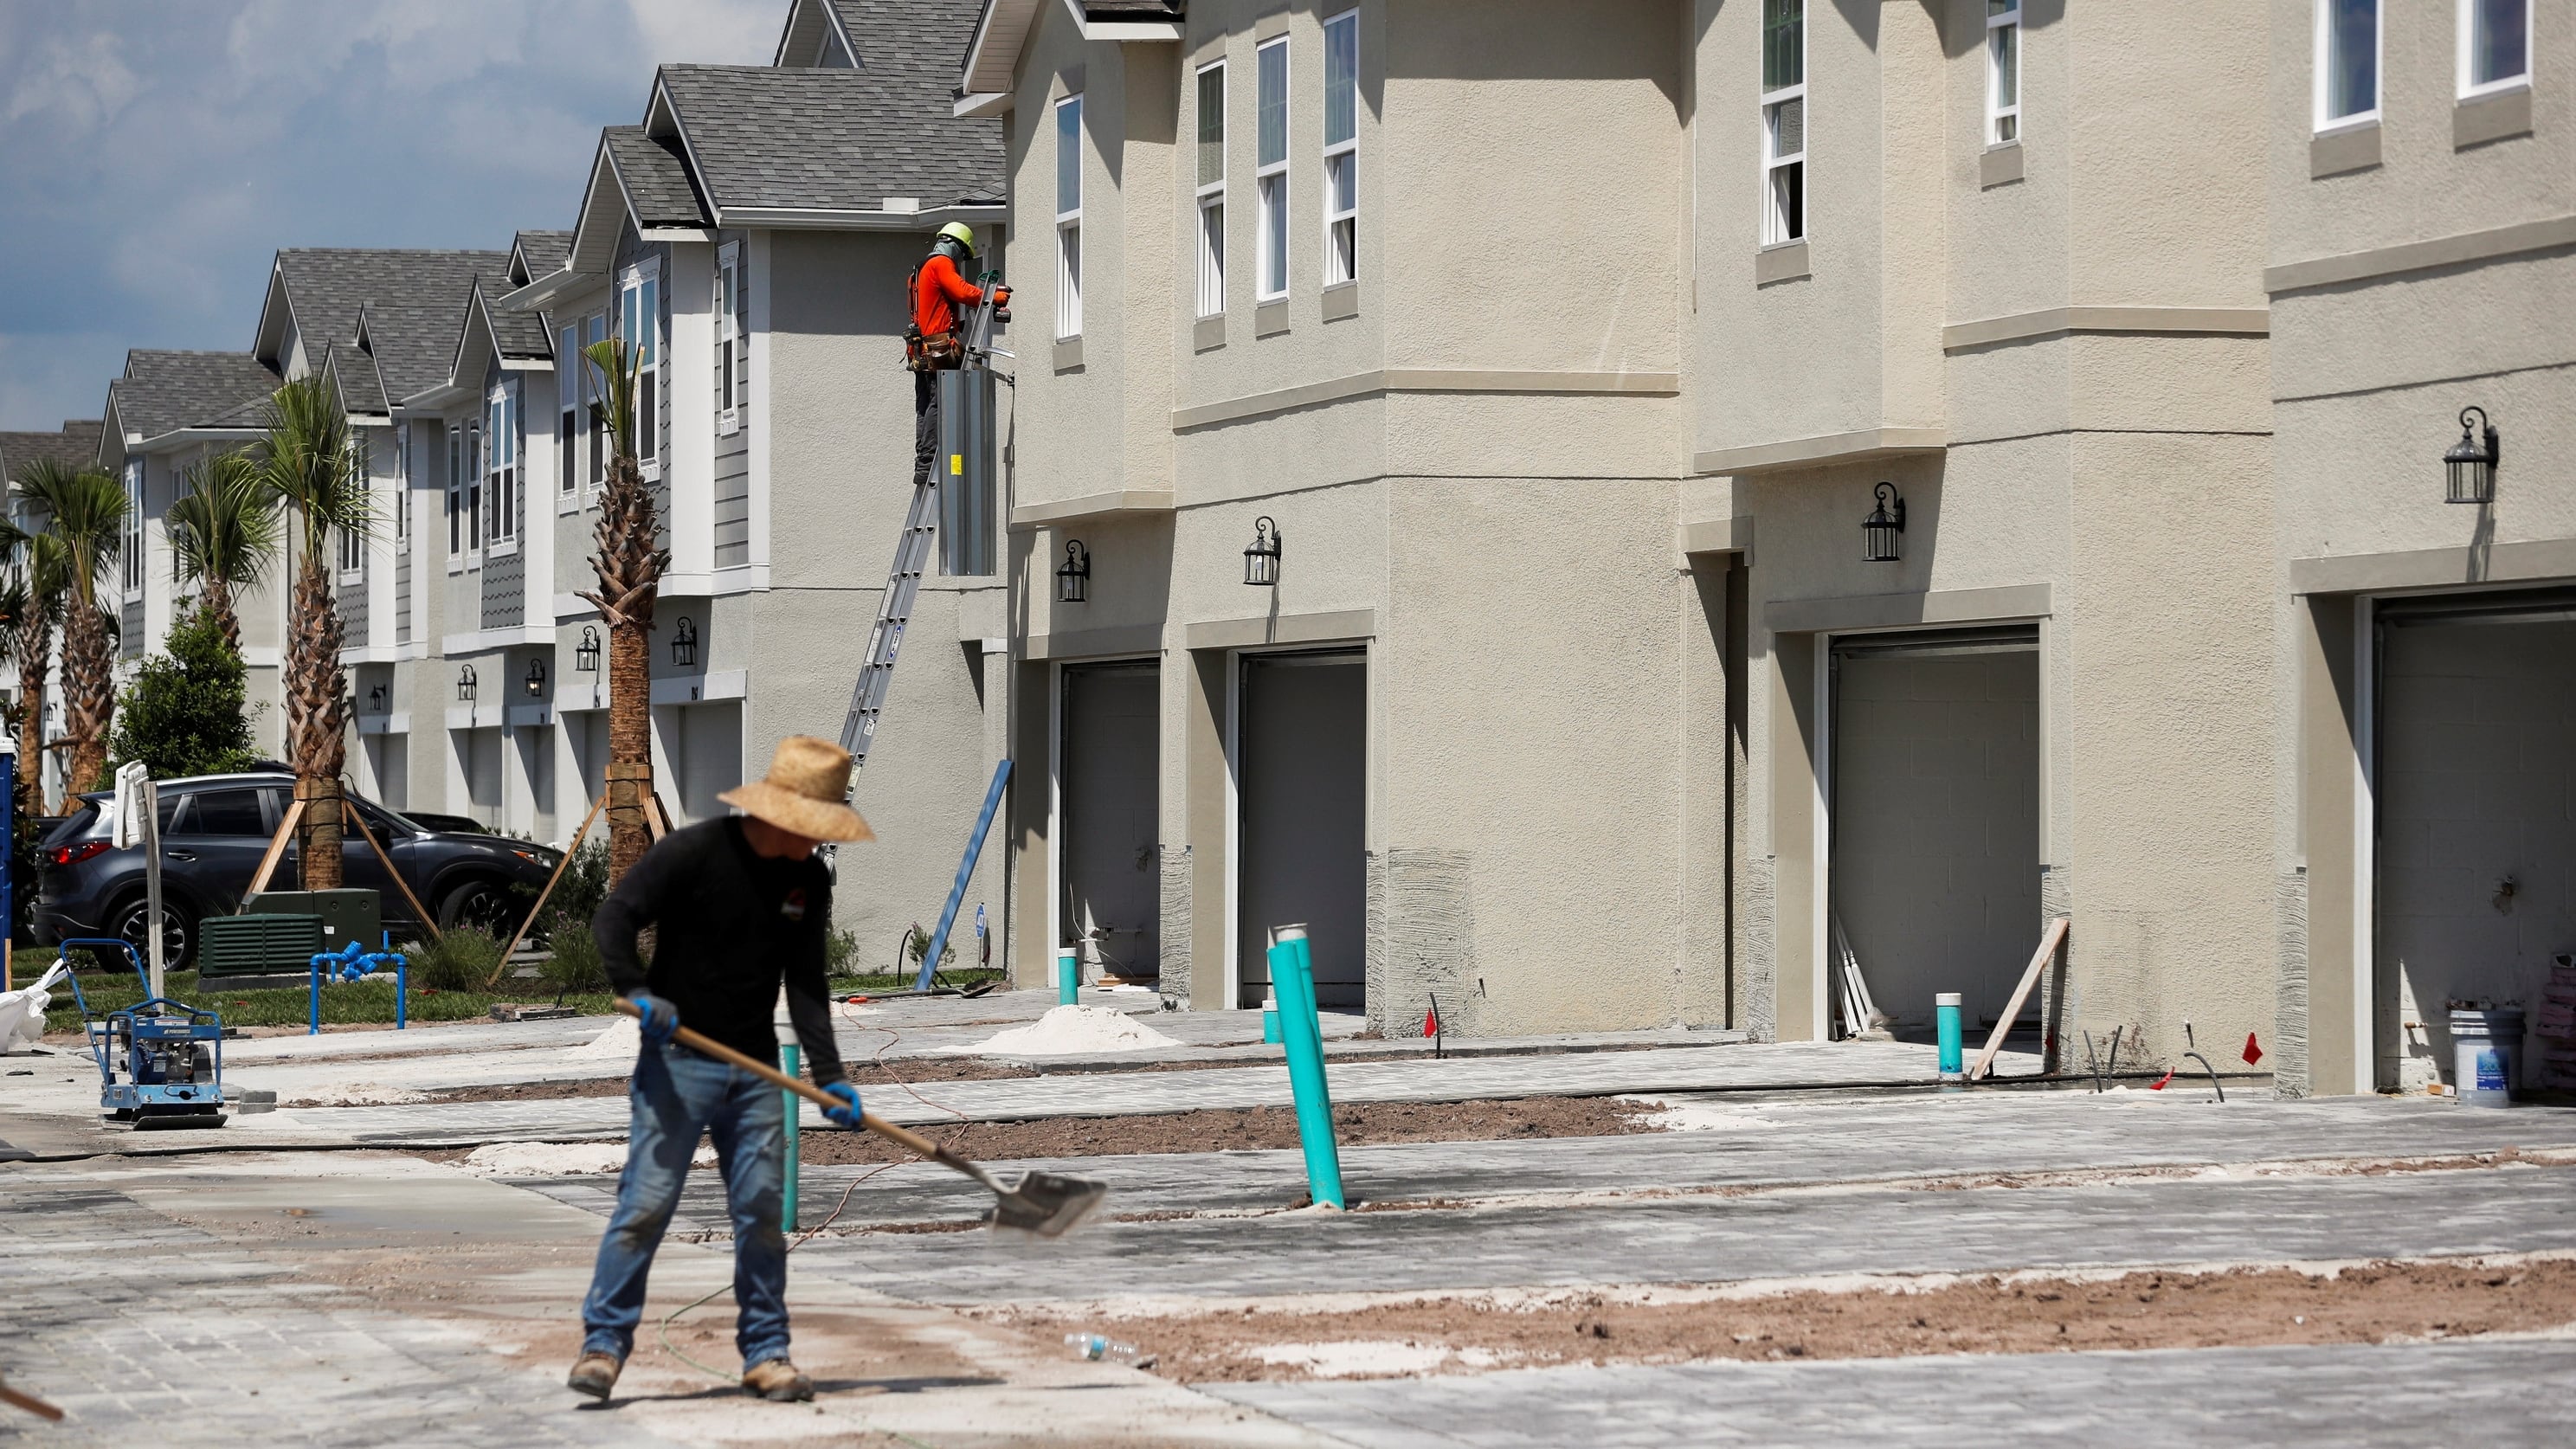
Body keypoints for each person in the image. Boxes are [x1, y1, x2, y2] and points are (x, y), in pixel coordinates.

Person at [565, 736, 876, 1405]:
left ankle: (767, 1354)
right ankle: (604, 1345)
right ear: (779, 816)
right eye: (814, 831)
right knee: (645, 1206)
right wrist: (637, 989)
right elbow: (614, 917)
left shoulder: (807, 881)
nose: (820, 845)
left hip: (756, 1071)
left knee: (762, 1213)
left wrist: (830, 1077)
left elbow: (808, 986)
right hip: (677, 1065)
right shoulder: (694, 853)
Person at [908, 221, 1008, 488]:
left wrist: (959, 325)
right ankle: (930, 462)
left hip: (923, 349)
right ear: (954, 244)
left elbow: (936, 310)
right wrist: (994, 297)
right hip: (938, 350)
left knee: (925, 405)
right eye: (963, 254)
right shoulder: (941, 264)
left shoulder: (921, 268)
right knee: (938, 403)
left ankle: (923, 462)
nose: (961, 261)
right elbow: (961, 291)